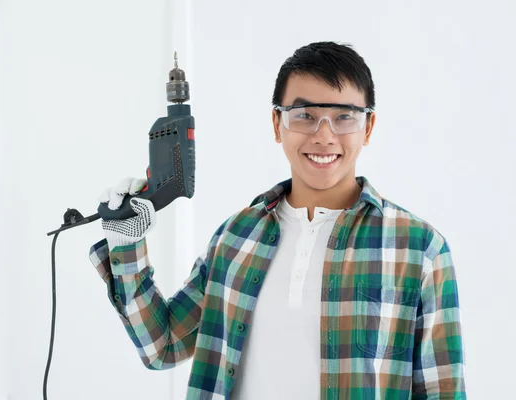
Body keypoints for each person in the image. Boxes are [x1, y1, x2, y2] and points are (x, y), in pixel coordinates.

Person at [89, 41, 466, 399]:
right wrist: (127, 243)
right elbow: (164, 346)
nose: (324, 135)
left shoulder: (418, 249)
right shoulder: (236, 237)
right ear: (276, 123)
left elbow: (442, 390)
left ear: (367, 128)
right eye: (304, 115)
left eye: (343, 117)